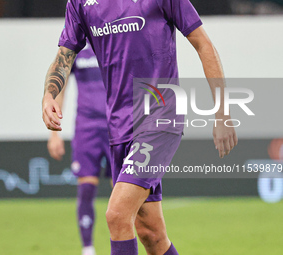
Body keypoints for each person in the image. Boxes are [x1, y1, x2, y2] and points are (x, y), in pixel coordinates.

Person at [42, 0, 238, 254]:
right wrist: (49, 94)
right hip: (119, 128)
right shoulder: (80, 3)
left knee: (117, 214)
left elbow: (204, 44)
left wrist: (222, 112)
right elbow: (64, 55)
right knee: (152, 235)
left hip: (160, 116)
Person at [47, 42, 111, 255]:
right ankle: (88, 249)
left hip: (116, 126)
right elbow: (60, 88)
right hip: (86, 128)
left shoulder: (114, 42)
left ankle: (123, 245)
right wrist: (55, 133)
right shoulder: (75, 50)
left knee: (123, 191)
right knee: (86, 188)